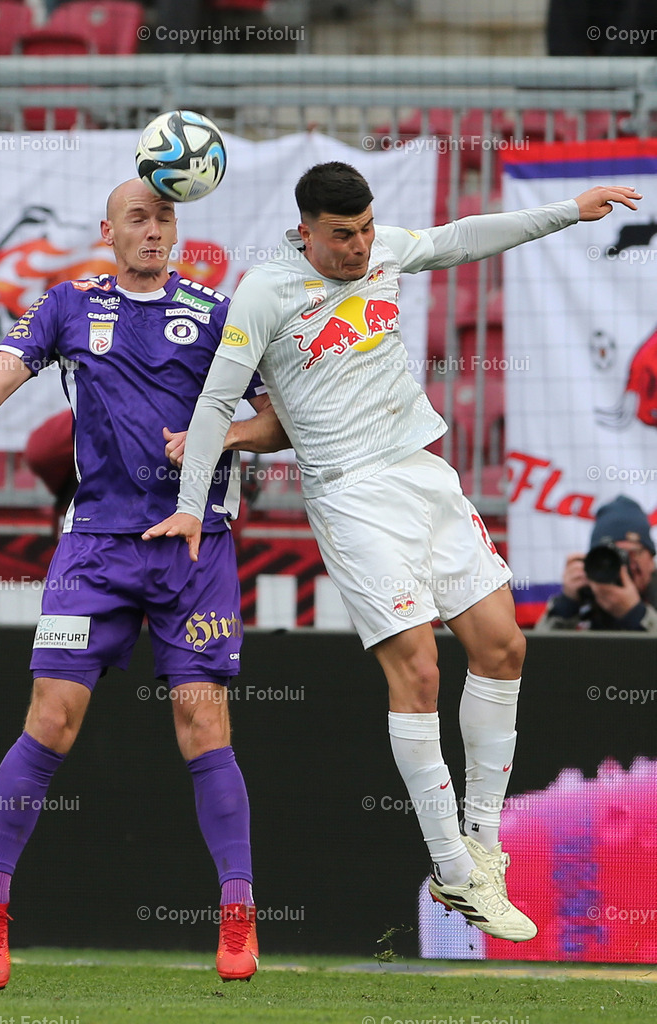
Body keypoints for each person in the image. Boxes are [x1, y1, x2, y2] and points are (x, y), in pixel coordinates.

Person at [142, 162, 641, 942]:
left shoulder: (382, 252)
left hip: (422, 472)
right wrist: (187, 506)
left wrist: (568, 211)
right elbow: (214, 403)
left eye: (367, 229)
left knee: (503, 646)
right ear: (306, 231)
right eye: (342, 235)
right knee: (419, 668)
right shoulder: (264, 293)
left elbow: (463, 237)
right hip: (349, 495)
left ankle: (482, 845)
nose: (359, 246)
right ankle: (449, 866)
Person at [0, 179, 289, 988]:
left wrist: (217, 436)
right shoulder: (67, 304)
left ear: (177, 230)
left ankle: (238, 912)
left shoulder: (217, 314)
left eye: (165, 219)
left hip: (193, 547)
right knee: (51, 718)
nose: (153, 231)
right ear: (107, 230)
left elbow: (281, 421)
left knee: (203, 722)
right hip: (94, 551)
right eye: (138, 219)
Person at [535, 494, 657, 632]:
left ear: (651, 559)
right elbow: (540, 645)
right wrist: (566, 605)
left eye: (632, 553)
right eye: (612, 556)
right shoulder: (586, 590)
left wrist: (636, 615)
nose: (622, 565)